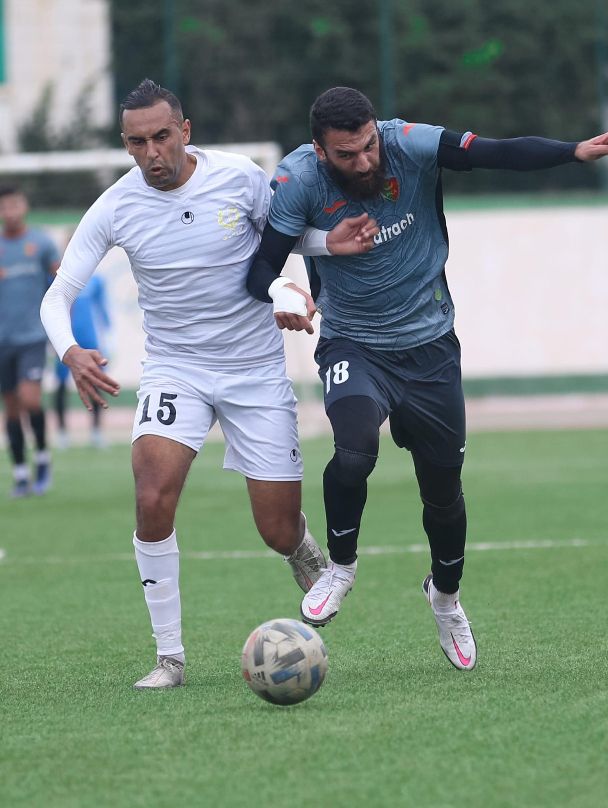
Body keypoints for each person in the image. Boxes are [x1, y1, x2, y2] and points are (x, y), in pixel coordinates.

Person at [246, 86, 608, 671]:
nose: (365, 162)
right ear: (321, 152)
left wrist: (572, 151)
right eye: (347, 154)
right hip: (353, 343)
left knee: (444, 491)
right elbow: (259, 270)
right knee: (353, 451)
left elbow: (495, 152)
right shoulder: (299, 180)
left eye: (369, 146)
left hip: (430, 348)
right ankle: (341, 567)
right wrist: (283, 291)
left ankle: (445, 598)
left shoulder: (410, 144)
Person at [40, 79, 378, 690]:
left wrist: (323, 248)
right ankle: (169, 657)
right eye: (137, 143)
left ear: (185, 131)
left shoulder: (239, 177)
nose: (152, 153)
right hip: (176, 370)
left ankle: (301, 550)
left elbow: (284, 237)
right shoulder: (115, 206)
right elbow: (57, 295)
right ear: (126, 143)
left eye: (162, 137)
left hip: (255, 371)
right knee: (152, 496)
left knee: (276, 528)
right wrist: (70, 352)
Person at [0, 186, 60, 498]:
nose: (9, 212)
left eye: (14, 205)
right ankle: (21, 473)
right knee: (11, 409)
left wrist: (61, 328)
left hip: (32, 338)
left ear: (24, 207)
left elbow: (61, 286)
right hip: (2, 341)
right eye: (4, 207)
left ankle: (43, 458)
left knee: (31, 400)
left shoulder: (41, 244)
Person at [54, 273, 112, 449]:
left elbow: (102, 310)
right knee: (61, 385)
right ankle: (62, 432)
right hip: (66, 340)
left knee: (96, 382)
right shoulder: (58, 278)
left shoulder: (96, 280)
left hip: (90, 339)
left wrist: (109, 338)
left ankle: (96, 431)